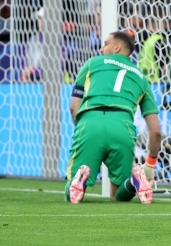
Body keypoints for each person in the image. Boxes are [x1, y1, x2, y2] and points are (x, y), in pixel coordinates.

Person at [66, 31, 162, 204]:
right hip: (122, 126)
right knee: (118, 196)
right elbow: (155, 132)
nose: (101, 48)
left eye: (105, 44)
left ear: (117, 47)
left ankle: (79, 179)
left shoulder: (92, 63)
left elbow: (74, 107)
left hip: (90, 122)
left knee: (72, 193)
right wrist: (150, 165)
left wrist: (82, 130)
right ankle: (134, 182)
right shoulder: (142, 78)